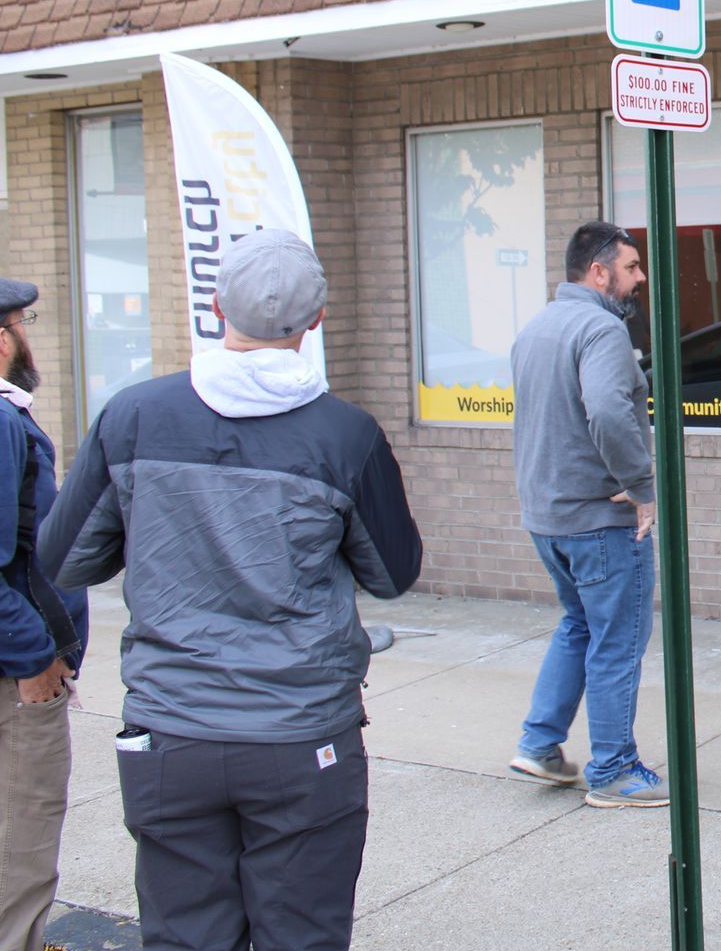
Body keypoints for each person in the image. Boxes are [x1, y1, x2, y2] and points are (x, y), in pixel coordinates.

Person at [39, 229, 420, 951]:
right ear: (318, 321)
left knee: (183, 938)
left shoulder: (133, 417)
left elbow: (63, 558)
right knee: (301, 937)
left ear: (214, 307)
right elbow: (393, 574)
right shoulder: (346, 436)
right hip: (301, 735)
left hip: (171, 731)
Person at [509, 221, 665, 807]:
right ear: (597, 273)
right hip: (599, 519)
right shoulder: (599, 329)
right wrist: (642, 486)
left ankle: (540, 746)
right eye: (630, 267)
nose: (640, 278)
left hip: (548, 519)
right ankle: (614, 771)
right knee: (617, 640)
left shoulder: (537, 328)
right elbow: (604, 409)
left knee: (579, 626)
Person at [0, 278, 87, 951]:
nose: (27, 338)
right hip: (15, 671)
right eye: (23, 323)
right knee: (26, 821)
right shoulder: (1, 420)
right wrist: (32, 658)